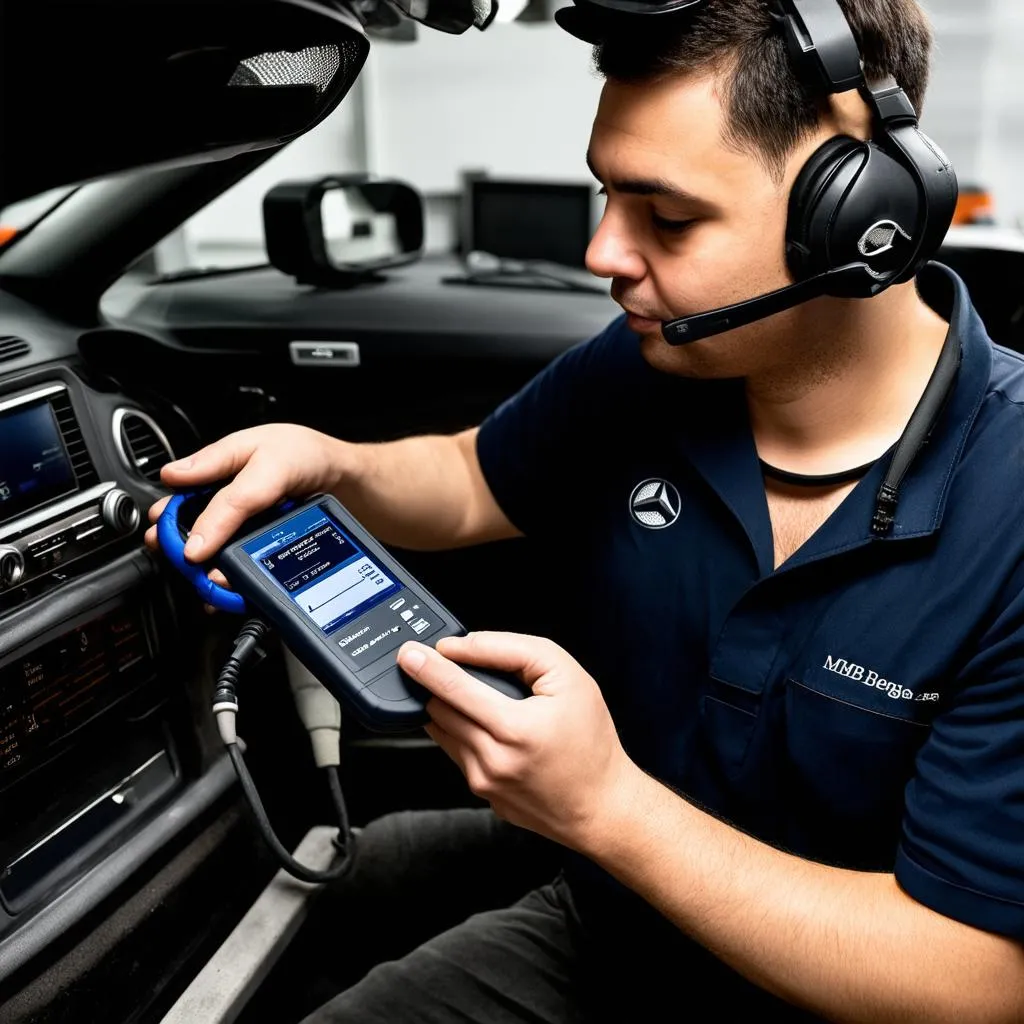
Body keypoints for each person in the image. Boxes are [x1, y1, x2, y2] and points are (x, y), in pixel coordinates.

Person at [146, 0, 1024, 1020]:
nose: (604, 252)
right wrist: (335, 464)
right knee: (352, 877)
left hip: (821, 979)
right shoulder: (667, 360)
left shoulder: (1006, 501)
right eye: (608, 196)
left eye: (668, 216)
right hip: (621, 899)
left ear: (857, 214)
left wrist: (608, 809)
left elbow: (975, 978)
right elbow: (475, 478)